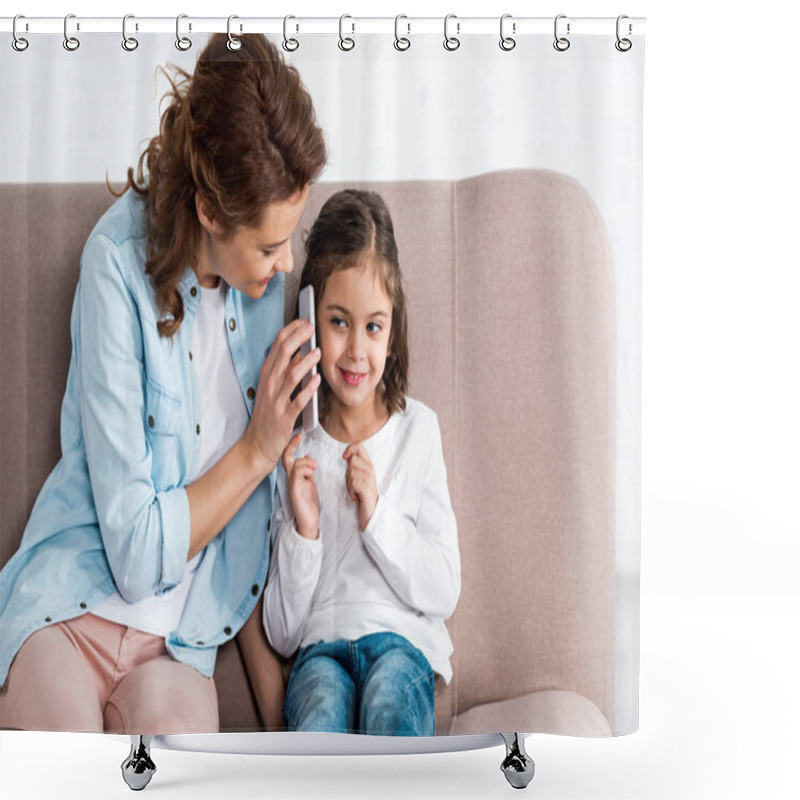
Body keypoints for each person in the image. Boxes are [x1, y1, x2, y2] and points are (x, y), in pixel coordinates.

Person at [0, 34, 326, 734]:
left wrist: (291, 739)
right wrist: (257, 451)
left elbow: (248, 543)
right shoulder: (115, 268)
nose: (286, 261)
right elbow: (138, 552)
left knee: (185, 769)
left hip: (179, 646)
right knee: (67, 767)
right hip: (73, 612)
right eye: (270, 245)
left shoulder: (265, 294)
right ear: (210, 212)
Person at [263, 190, 461, 736]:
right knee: (322, 709)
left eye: (373, 326)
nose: (355, 351)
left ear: (393, 330)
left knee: (388, 702)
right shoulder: (294, 448)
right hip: (320, 652)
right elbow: (281, 633)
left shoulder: (418, 432)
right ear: (308, 319)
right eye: (338, 322)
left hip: (401, 647)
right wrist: (304, 532)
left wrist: (376, 517)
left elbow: (444, 588)